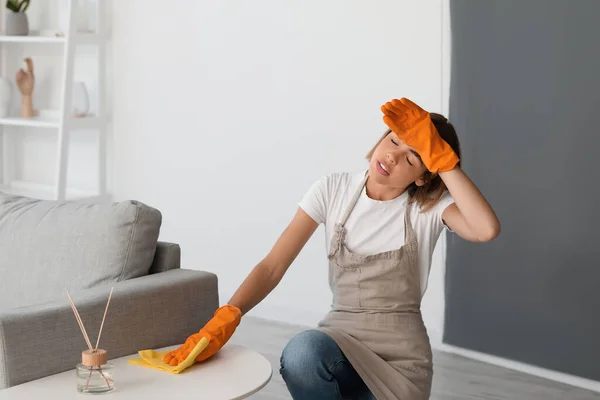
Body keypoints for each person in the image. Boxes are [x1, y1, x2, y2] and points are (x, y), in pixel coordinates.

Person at [163, 98, 501, 399]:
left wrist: (445, 163)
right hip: (339, 341)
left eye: (412, 158)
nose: (392, 157)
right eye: (394, 140)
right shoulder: (333, 189)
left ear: (423, 177)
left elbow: (485, 229)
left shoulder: (427, 209)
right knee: (302, 353)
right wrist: (225, 320)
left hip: (401, 364)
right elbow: (272, 266)